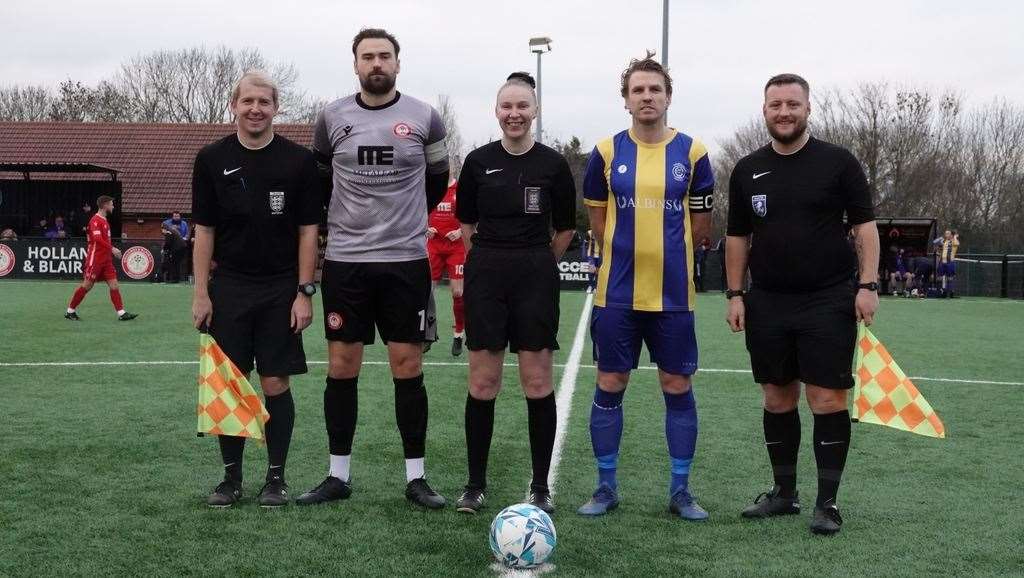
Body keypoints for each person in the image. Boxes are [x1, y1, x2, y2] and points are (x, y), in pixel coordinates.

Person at [299, 28, 450, 509]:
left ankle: (417, 478)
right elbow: (320, 180)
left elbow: (437, 179)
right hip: (346, 262)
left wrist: (404, 223)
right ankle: (337, 475)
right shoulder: (331, 116)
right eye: (368, 57)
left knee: (407, 366)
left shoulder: (425, 116)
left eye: (385, 56)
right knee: (343, 366)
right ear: (356, 65)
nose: (377, 64)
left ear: (398, 64)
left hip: (405, 261)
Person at [724, 73, 879, 535]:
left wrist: (868, 284)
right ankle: (784, 494)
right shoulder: (747, 169)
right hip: (767, 300)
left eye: (793, 103)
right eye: (776, 104)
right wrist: (735, 293)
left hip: (828, 297)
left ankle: (827, 503)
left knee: (827, 398)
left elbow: (865, 227)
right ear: (764, 110)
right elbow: (738, 237)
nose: (784, 112)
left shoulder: (839, 163)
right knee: (777, 397)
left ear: (808, 108)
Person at [577, 53, 715, 521]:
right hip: (616, 295)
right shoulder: (606, 152)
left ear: (668, 96)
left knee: (677, 385)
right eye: (638, 90)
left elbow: (700, 227)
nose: (647, 97)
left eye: (655, 89)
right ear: (626, 100)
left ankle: (680, 491)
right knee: (610, 382)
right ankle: (605, 486)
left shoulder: (693, 153)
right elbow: (598, 222)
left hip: (675, 297)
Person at [191, 71, 321, 508]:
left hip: (281, 287)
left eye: (264, 102)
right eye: (248, 101)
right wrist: (201, 292)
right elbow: (204, 231)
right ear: (234, 105)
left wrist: (304, 291)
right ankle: (230, 480)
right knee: (230, 383)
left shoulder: (298, 162)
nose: (255, 109)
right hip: (229, 286)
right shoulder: (211, 159)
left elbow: (308, 231)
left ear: (275, 107)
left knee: (275, 380)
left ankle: (276, 478)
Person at [453, 72, 576, 515]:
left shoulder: (553, 164)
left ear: (535, 110)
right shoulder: (477, 161)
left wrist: (537, 261)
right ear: (497, 111)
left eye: (522, 106)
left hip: (535, 276)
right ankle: (474, 485)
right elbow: (465, 222)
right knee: (483, 381)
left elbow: (564, 229)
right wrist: (486, 259)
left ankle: (540, 486)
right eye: (507, 106)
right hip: (487, 273)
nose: (515, 114)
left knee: (537, 381)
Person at [65, 197, 138, 321]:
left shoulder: (104, 220)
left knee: (114, 285)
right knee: (87, 285)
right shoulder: (95, 220)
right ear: (105, 205)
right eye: (111, 204)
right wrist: (113, 249)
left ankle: (121, 313)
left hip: (106, 260)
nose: (113, 206)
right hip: (96, 259)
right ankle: (70, 311)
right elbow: (98, 240)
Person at [427, 178, 467, 356]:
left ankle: (458, 334)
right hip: (434, 245)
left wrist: (460, 231)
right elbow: (414, 210)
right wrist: (425, 227)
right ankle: (428, 333)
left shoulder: (461, 188)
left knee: (458, 292)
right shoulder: (429, 186)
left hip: (456, 247)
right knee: (426, 292)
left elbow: (473, 214)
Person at [936, 229, 959, 297]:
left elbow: (957, 244)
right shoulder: (944, 241)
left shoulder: (954, 241)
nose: (946, 235)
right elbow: (936, 244)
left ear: (951, 235)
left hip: (950, 262)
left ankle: (951, 292)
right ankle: (943, 292)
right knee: (941, 277)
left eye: (948, 233)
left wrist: (955, 236)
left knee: (950, 277)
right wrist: (939, 248)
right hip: (942, 262)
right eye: (945, 233)